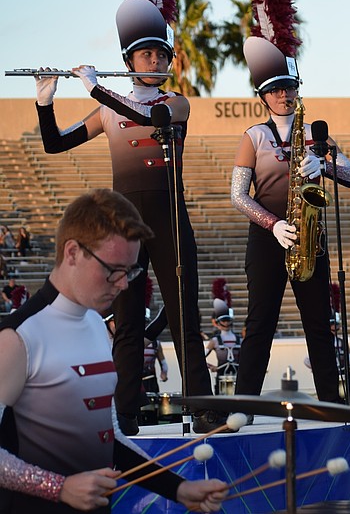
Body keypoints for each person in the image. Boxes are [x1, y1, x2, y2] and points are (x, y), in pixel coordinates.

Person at [32, 0, 220, 435]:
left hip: (171, 221)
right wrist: (45, 101)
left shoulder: (174, 104)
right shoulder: (110, 111)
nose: (154, 62)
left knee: (184, 320)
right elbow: (56, 144)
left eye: (160, 54)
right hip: (124, 230)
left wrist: (96, 89)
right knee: (128, 322)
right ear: (129, 62)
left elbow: (146, 118)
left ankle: (203, 407)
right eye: (145, 55)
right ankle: (128, 415)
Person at [0, 189, 228, 513]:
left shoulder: (95, 325)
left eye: (132, 271)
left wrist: (179, 489)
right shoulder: (17, 337)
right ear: (72, 253)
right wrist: (59, 488)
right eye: (114, 270)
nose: (124, 285)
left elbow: (112, 441)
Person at [232, 0, 350, 403]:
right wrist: (271, 225)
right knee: (259, 324)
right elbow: (238, 194)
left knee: (319, 327)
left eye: (289, 87)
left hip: (311, 237)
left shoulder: (317, 135)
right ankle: (245, 406)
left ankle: (331, 403)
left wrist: (322, 162)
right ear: (262, 95)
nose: (285, 95)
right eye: (275, 90)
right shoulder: (253, 136)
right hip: (269, 238)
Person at [205, 295, 241, 394]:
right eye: (223, 321)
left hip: (238, 378)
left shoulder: (240, 340)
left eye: (227, 320)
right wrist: (211, 366)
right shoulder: (215, 341)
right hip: (221, 377)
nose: (226, 323)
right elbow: (201, 358)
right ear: (218, 323)